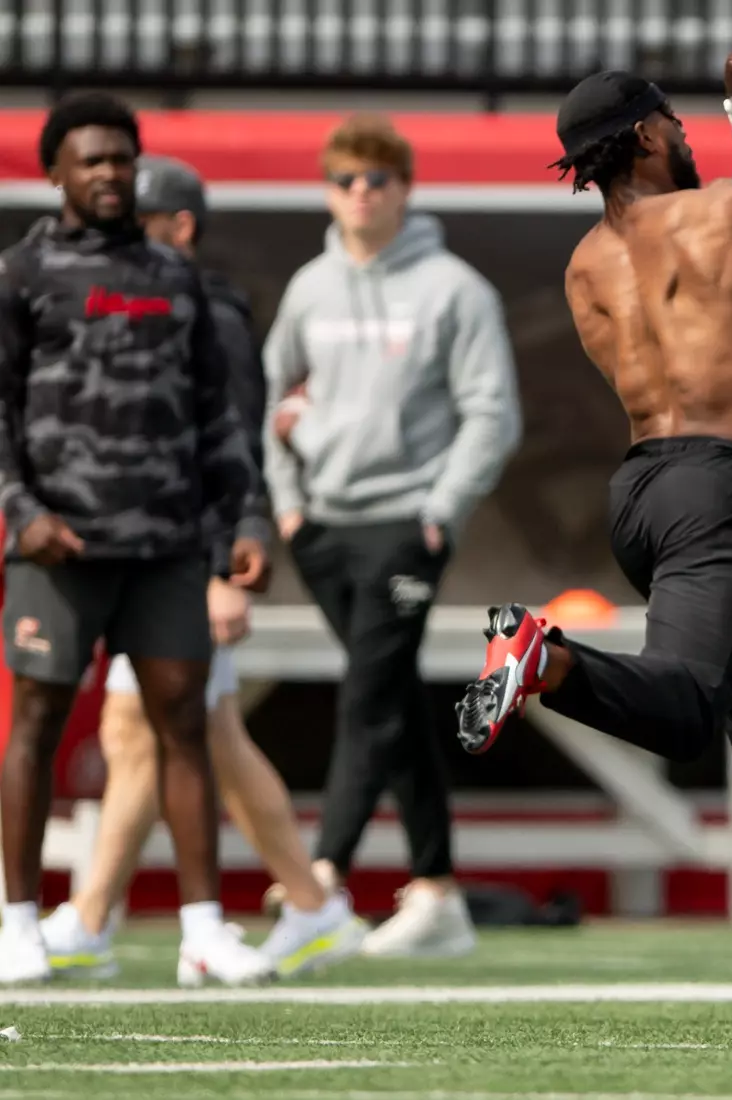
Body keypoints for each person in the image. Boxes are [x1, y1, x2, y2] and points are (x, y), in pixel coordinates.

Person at [454, 67, 732, 1003]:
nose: (690, 134)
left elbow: (709, 282)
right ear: (648, 136)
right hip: (723, 487)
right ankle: (543, 658)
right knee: (687, 709)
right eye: (676, 124)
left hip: (642, 494)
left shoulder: (584, 266)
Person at [37, 155, 368, 981]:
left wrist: (224, 563)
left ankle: (98, 920)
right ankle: (296, 904)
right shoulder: (144, 304)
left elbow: (234, 446)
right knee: (172, 731)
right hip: (156, 558)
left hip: (185, 562)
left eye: (137, 221)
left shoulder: (204, 314)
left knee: (171, 729)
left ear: (179, 227)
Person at [0, 93, 275, 985]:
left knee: (183, 727)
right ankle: (17, 925)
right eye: (91, 160)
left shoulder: (175, 277)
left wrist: (244, 520)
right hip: (60, 547)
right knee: (35, 725)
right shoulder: (21, 274)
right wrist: (22, 513)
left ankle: (204, 932)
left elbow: (217, 416)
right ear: (56, 172)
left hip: (167, 547)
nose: (110, 174)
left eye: (122, 159)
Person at [262, 113, 522, 958]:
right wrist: (289, 506)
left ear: (405, 188)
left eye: (377, 180)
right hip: (321, 527)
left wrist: (440, 511)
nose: (361, 194)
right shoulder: (310, 288)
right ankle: (438, 890)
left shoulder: (455, 290)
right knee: (394, 696)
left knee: (368, 694)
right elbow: (271, 399)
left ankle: (321, 876)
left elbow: (493, 414)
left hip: (406, 526)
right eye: (345, 180)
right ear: (327, 192)